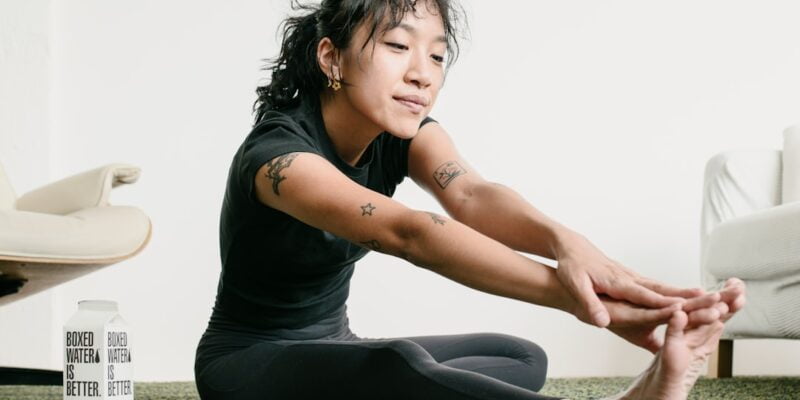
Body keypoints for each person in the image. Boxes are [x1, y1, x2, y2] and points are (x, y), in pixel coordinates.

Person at [194, 1, 746, 399]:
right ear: (330, 57)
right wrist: (591, 306)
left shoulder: (402, 134)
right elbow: (411, 233)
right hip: (245, 363)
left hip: (336, 346)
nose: (422, 74)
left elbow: (473, 195)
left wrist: (569, 246)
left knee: (520, 356)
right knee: (400, 365)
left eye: (436, 56)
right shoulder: (279, 160)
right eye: (396, 46)